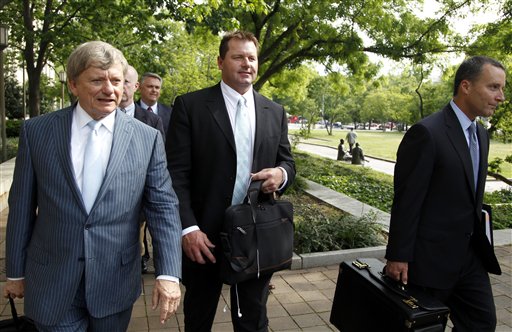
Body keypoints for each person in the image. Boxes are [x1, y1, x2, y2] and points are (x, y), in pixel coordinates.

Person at [3, 41, 182, 330]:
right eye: (97, 80)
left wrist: (169, 274)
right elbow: (21, 205)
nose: (110, 89)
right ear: (73, 84)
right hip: (52, 279)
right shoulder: (36, 132)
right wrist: (14, 271)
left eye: (116, 81)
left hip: (115, 281)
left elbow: (163, 207)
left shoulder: (146, 138)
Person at [166, 31, 296, 331]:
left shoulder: (274, 111)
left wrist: (281, 174)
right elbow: (175, 175)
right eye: (238, 57)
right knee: (198, 317)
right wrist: (188, 228)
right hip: (204, 238)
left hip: (255, 236)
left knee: (253, 319)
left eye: (252, 58)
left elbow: (287, 162)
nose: (246, 63)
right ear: (220, 62)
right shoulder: (190, 106)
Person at [385, 56, 505, 331]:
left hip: (471, 258)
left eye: (502, 88)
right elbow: (407, 200)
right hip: (429, 261)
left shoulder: (481, 134)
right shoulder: (427, 133)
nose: (501, 96)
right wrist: (398, 255)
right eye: (494, 87)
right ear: (466, 86)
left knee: (483, 323)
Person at [119, 64, 165, 274]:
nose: (119, 87)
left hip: (143, 193)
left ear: (134, 85)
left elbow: (159, 160)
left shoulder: (153, 120)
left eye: (124, 81)